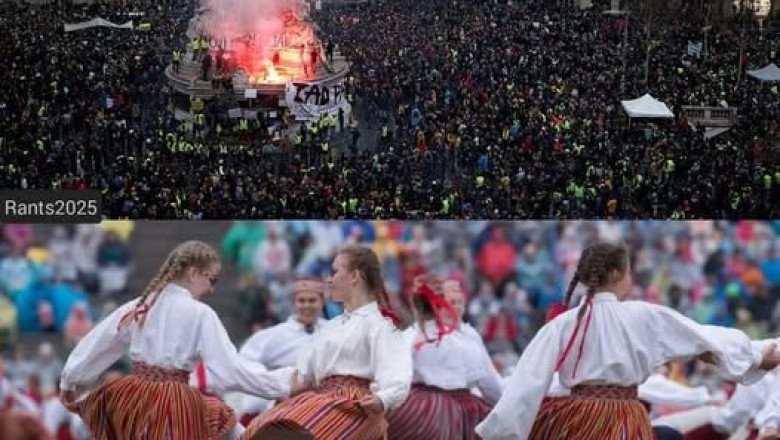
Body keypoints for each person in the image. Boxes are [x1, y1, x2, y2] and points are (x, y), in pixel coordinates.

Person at [475, 241, 780, 440]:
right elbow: (702, 336)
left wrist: (499, 434)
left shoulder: (562, 325)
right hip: (623, 419)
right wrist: (755, 355)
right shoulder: (643, 315)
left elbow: (526, 384)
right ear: (620, 274)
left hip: (574, 419)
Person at [59, 241, 301, 440]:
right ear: (194, 273)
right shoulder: (200, 313)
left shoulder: (141, 305)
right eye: (212, 279)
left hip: (134, 397)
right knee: (227, 425)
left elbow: (101, 341)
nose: (213, 289)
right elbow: (229, 371)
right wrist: (282, 385)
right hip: (173, 403)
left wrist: (70, 380)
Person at [241, 245, 412, 440]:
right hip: (322, 399)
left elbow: (397, 374)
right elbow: (301, 378)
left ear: (354, 276)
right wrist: (248, 382)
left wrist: (382, 399)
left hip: (355, 407)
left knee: (293, 432)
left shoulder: (380, 324)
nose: (330, 279)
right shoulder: (332, 327)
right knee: (259, 430)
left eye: (335, 271)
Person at [387, 274, 501, 440]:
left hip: (421, 410)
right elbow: (491, 387)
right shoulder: (464, 342)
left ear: (416, 306)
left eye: (458, 302)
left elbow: (394, 378)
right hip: (464, 412)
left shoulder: (411, 337)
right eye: (452, 302)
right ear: (442, 303)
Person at [234, 276, 327, 426]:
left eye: (312, 300)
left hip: (323, 405)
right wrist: (276, 383)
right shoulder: (275, 335)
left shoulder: (333, 331)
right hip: (284, 405)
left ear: (322, 302)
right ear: (294, 303)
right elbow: (246, 359)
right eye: (302, 300)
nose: (307, 305)